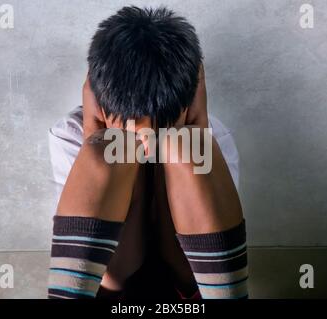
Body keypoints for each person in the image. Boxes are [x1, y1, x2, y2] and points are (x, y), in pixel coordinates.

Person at [47, 6, 248, 299]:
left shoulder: (212, 139)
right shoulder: (71, 134)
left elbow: (185, 267)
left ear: (186, 103)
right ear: (101, 100)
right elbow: (109, 273)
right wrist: (97, 136)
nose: (146, 139)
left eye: (158, 126)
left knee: (190, 149)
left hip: (191, 291)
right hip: (110, 290)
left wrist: (192, 134)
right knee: (107, 152)